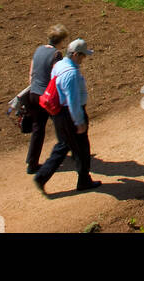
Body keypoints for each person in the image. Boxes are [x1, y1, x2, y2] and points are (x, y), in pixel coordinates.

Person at [34, 38, 101, 194]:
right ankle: (83, 180)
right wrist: (79, 121)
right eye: (83, 56)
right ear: (76, 54)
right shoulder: (71, 73)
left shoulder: (59, 65)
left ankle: (42, 176)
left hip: (59, 114)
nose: (84, 59)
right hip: (70, 114)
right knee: (83, 148)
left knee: (63, 145)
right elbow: (72, 100)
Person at [25, 25, 69, 175]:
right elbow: (57, 75)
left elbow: (32, 71)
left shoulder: (39, 50)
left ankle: (32, 163)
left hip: (33, 94)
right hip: (47, 97)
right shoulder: (56, 54)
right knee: (63, 124)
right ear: (61, 40)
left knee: (38, 129)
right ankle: (69, 152)